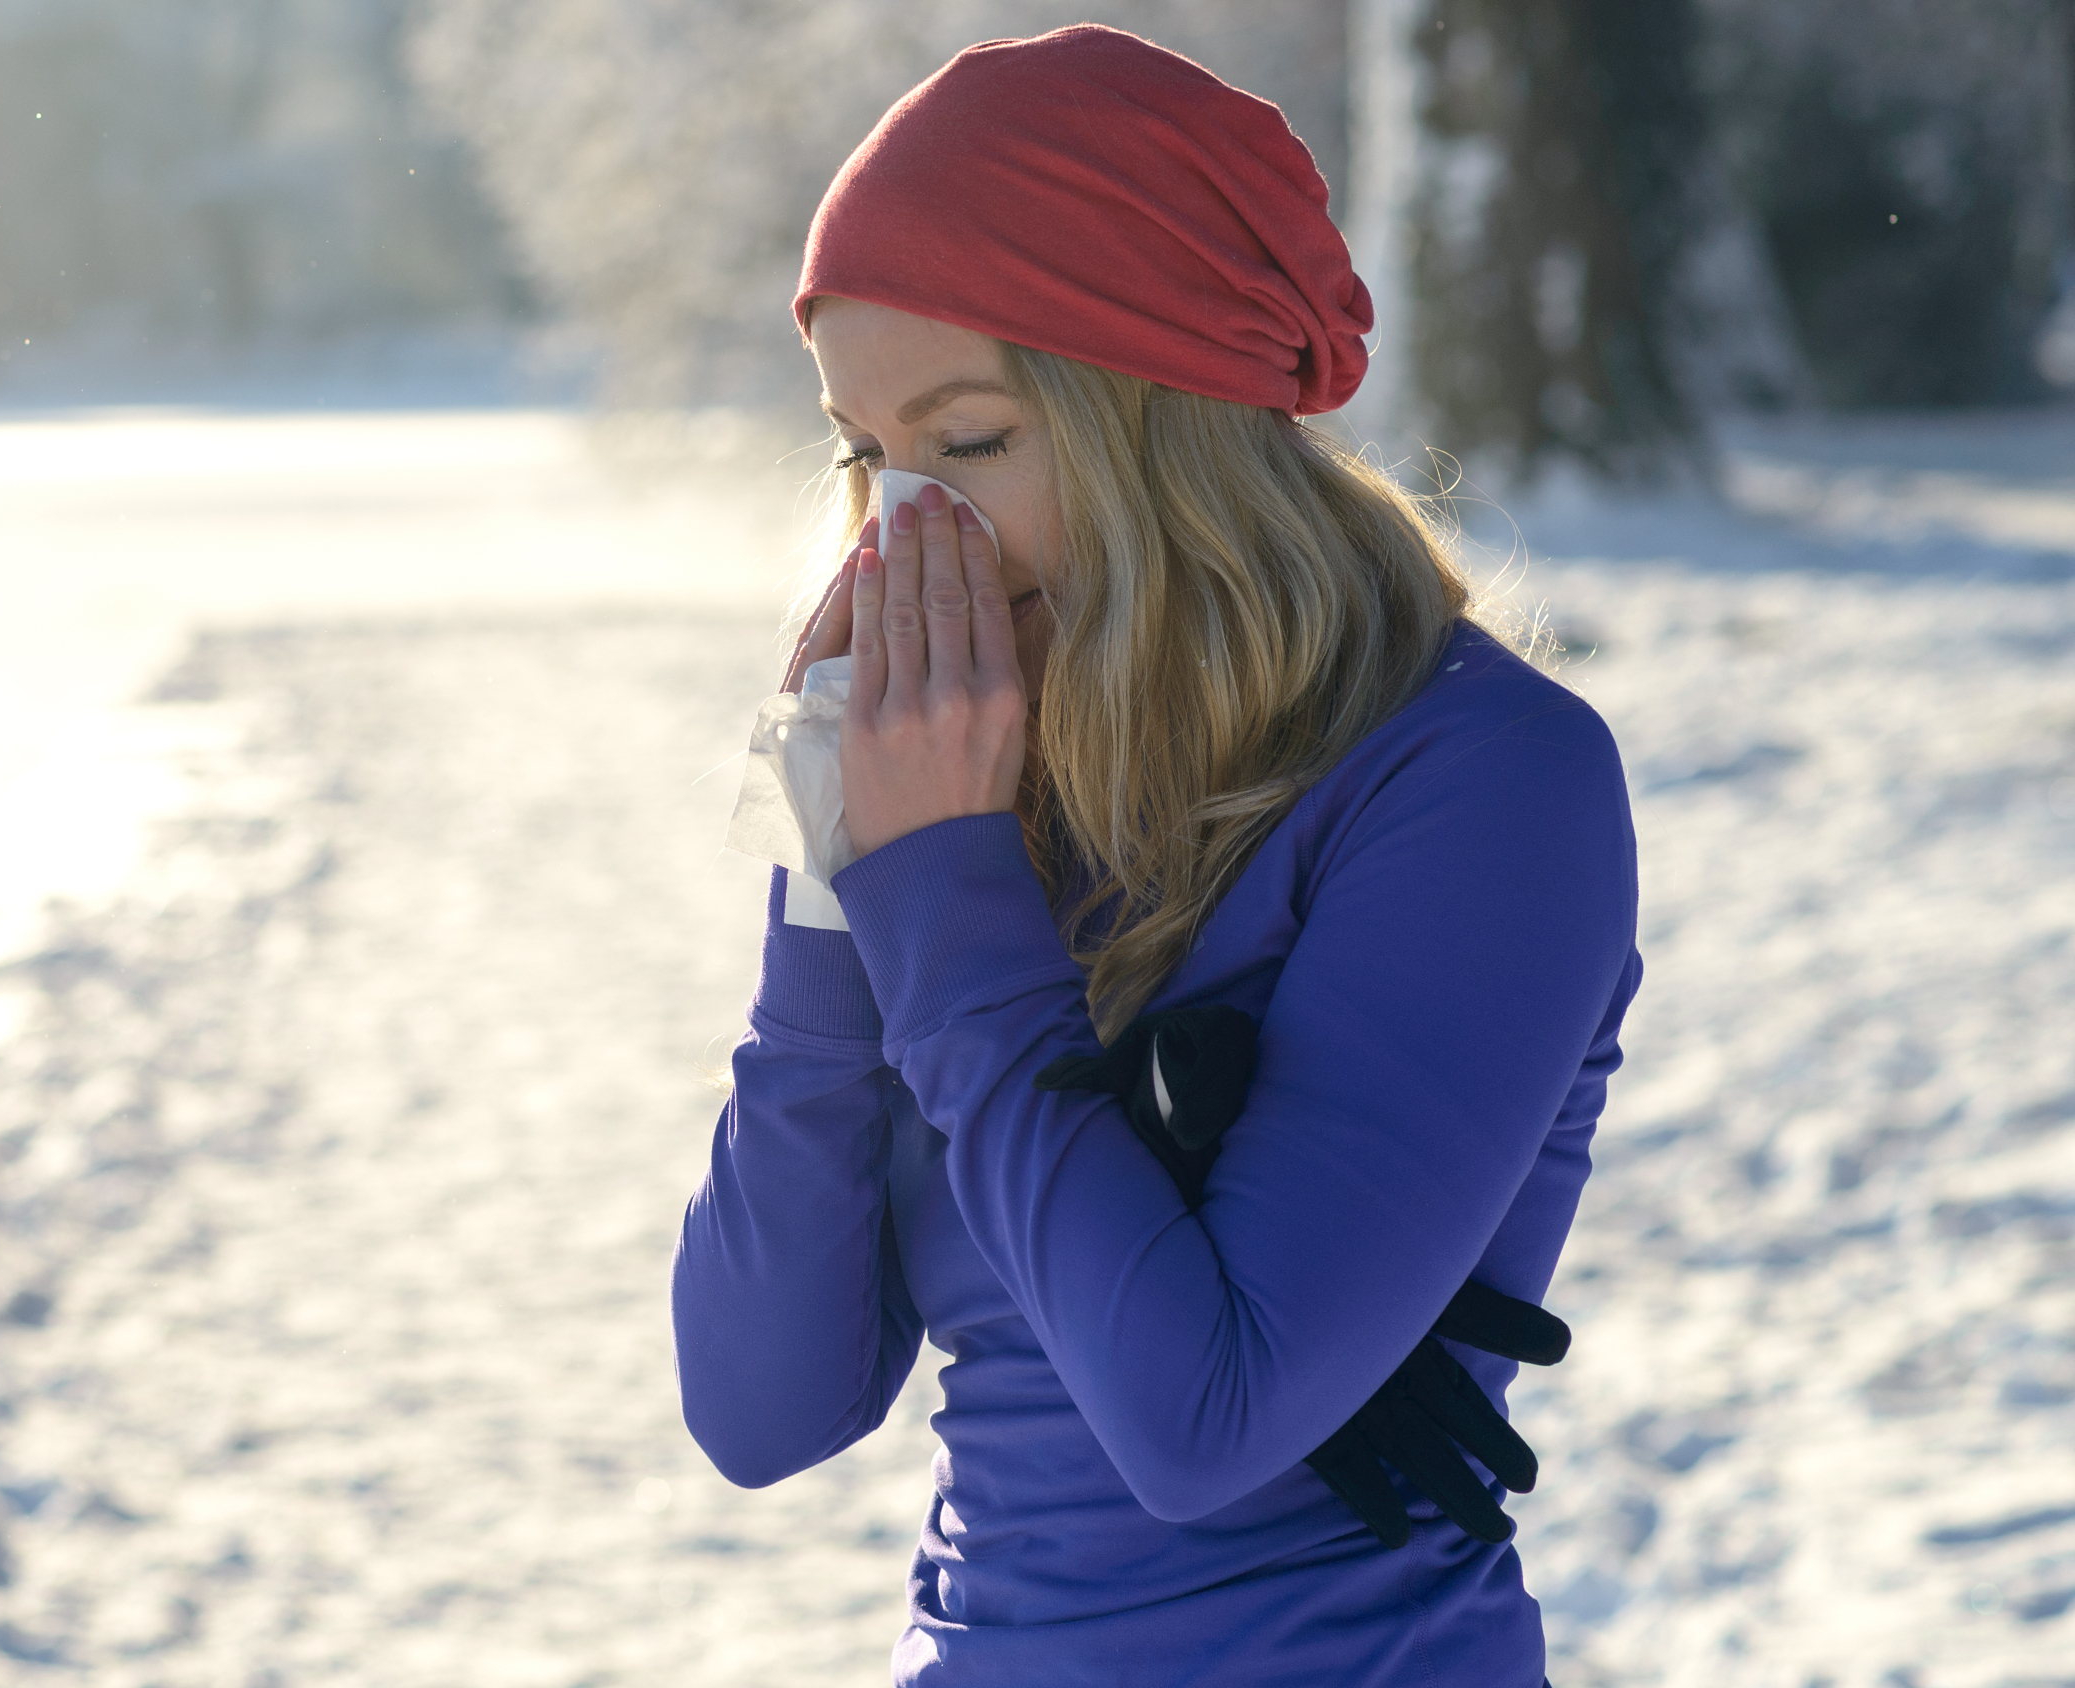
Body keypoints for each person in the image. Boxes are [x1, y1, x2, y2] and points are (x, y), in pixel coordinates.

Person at [669, 26, 1642, 1687]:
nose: (909, 529)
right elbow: (763, 1409)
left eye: (968, 443)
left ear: (1166, 416)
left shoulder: (1480, 781)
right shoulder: (971, 782)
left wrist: (947, 897)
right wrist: (835, 900)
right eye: (864, 452)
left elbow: (1206, 1419)